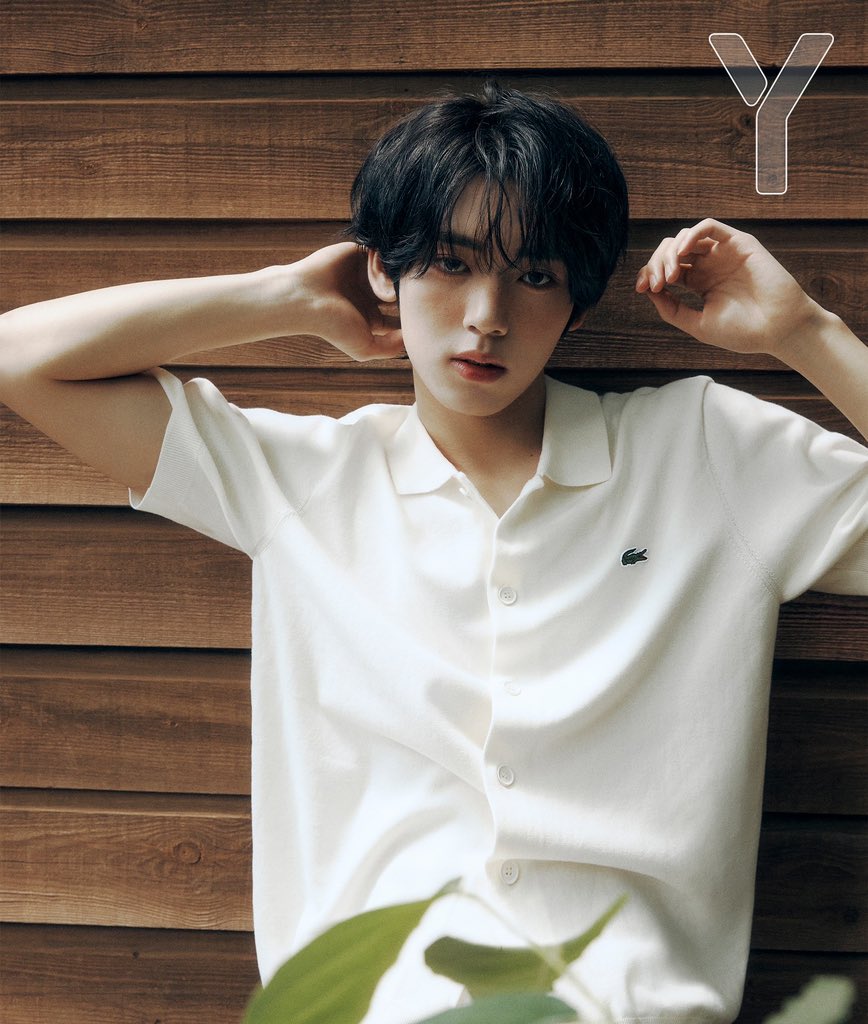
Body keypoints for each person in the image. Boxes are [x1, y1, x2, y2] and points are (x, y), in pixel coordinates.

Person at [1, 82, 865, 1023]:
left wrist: (804, 332)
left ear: (578, 302)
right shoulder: (301, 482)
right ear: (385, 269)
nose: (488, 315)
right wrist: (284, 296)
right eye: (450, 264)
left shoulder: (705, 451)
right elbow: (20, 359)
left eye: (536, 276)